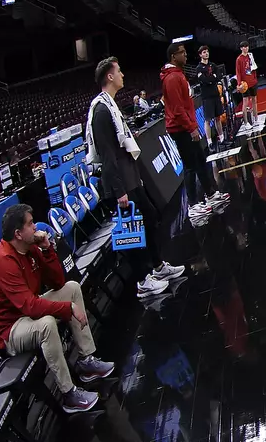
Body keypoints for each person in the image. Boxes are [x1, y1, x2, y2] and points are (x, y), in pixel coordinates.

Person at [0, 203, 113, 413]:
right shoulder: (3, 262)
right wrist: (67, 309)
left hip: (27, 312)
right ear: (18, 233)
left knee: (72, 288)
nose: (35, 227)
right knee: (46, 324)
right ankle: (69, 394)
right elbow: (31, 307)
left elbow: (58, 282)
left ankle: (86, 360)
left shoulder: (30, 247)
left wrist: (47, 249)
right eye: (30, 224)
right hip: (10, 330)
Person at [85, 57, 186, 297]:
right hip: (119, 183)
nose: (123, 75)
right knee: (131, 233)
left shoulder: (110, 105)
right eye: (119, 71)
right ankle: (142, 280)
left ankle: (159, 266)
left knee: (151, 217)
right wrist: (119, 190)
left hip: (130, 177)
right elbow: (107, 154)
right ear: (109, 76)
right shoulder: (100, 111)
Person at [159, 43, 228, 226]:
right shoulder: (172, 78)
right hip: (180, 129)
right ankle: (193, 205)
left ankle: (211, 194)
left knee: (199, 161)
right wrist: (191, 128)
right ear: (174, 56)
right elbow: (177, 109)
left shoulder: (178, 75)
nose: (186, 55)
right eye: (182, 53)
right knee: (190, 166)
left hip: (186, 126)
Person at [195, 46, 227, 145]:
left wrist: (211, 78)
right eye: (204, 52)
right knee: (208, 120)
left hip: (215, 94)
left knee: (218, 117)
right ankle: (209, 142)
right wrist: (212, 77)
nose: (206, 53)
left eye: (207, 52)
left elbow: (218, 76)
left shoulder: (213, 65)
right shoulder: (199, 68)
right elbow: (204, 80)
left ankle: (222, 138)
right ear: (200, 54)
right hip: (207, 97)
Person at [235, 41, 258, 127]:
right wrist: (239, 83)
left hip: (253, 81)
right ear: (241, 48)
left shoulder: (250, 56)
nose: (246, 48)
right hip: (245, 84)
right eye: (244, 47)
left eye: (247, 46)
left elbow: (254, 67)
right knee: (245, 102)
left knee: (254, 100)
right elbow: (238, 72)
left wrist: (255, 78)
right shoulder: (239, 59)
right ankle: (245, 122)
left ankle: (256, 119)